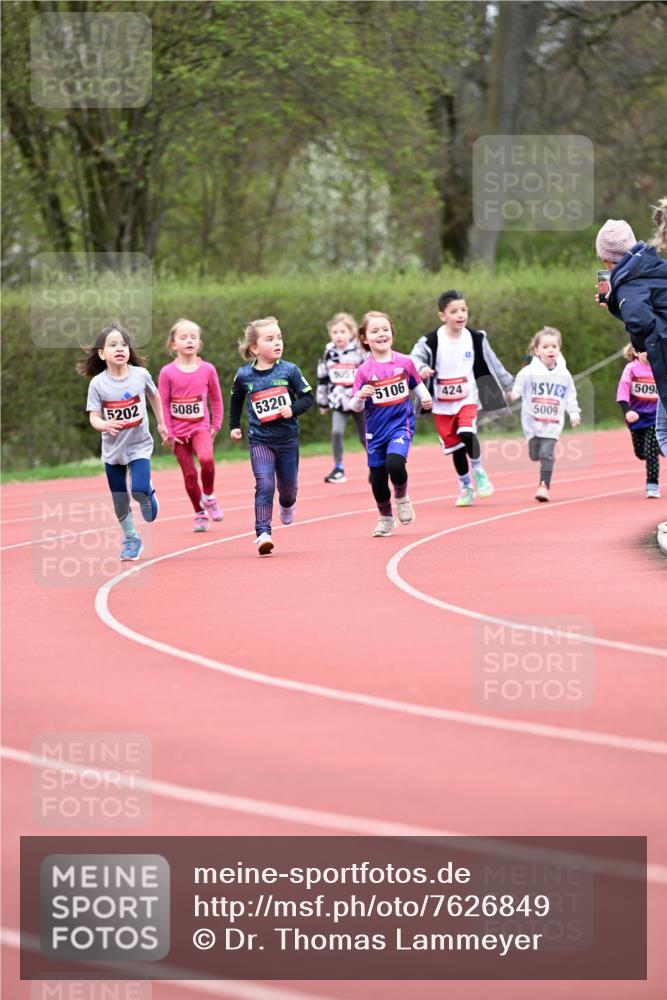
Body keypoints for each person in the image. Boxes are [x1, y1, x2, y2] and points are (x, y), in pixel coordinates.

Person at [411, 289, 513, 506]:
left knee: (467, 432)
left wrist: (509, 386)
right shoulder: (430, 341)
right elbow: (414, 359)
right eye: (454, 311)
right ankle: (465, 486)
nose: (460, 315)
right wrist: (421, 368)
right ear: (442, 316)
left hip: (468, 398)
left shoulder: (476, 338)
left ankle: (478, 470)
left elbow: (495, 364)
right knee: (455, 448)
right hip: (441, 403)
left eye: (464, 310)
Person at [78, 323, 167, 560]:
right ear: (101, 353)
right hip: (113, 449)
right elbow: (94, 417)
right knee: (119, 499)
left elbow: (154, 396)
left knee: (137, 490)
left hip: (139, 445)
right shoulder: (98, 383)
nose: (120, 348)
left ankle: (147, 493)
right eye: (113, 345)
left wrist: (161, 424)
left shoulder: (140, 375)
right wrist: (105, 425)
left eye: (124, 344)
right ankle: (131, 540)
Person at [229, 316, 314, 555]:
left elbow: (308, 397)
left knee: (288, 489)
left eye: (279, 337)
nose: (277, 342)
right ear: (254, 348)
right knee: (265, 483)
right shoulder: (244, 375)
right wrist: (234, 425)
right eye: (270, 339)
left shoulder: (290, 370)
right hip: (260, 440)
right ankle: (263, 532)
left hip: (287, 439)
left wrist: (292, 409)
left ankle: (287, 505)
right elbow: (235, 401)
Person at [349, 310, 432, 537]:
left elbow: (416, 384)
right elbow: (354, 407)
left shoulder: (405, 362)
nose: (381, 334)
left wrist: (426, 398)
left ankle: (402, 497)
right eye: (375, 331)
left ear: (392, 334)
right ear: (365, 338)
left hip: (400, 425)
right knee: (377, 478)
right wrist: (361, 397)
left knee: (395, 464)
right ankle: (385, 518)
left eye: (385, 329)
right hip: (375, 431)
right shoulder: (364, 371)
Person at [595, 203, 667, 456]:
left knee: (664, 435)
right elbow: (653, 304)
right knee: (662, 430)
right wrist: (616, 303)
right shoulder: (651, 264)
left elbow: (640, 320)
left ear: (605, 259)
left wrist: (639, 346)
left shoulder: (628, 284)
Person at [158, 318, 224, 531]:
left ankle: (210, 496)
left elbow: (216, 399)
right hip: (177, 433)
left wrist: (216, 424)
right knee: (189, 474)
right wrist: (168, 431)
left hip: (200, 427)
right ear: (173, 344)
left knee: (206, 459)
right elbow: (164, 404)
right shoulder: (167, 372)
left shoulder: (207, 370)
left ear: (199, 343)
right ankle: (199, 513)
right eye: (183, 337)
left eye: (193, 337)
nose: (189, 341)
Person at [508, 326, 581, 502]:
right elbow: (517, 389)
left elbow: (570, 395)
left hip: (553, 422)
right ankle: (545, 460)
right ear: (536, 350)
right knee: (535, 455)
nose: (550, 350)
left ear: (559, 349)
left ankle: (544, 486)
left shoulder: (564, 374)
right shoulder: (528, 372)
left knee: (546, 454)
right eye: (546, 347)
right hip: (532, 422)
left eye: (554, 346)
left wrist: (573, 414)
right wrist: (512, 395)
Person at [316, 312, 366, 483]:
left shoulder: (359, 351)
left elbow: (370, 374)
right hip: (338, 402)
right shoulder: (328, 352)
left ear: (351, 332)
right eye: (335, 332)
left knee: (365, 437)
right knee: (336, 432)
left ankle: (376, 465)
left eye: (342, 332)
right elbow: (322, 378)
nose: (338, 335)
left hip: (359, 401)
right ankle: (338, 468)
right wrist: (322, 402)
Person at [616, 343, 661, 498]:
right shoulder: (631, 369)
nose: (649, 353)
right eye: (645, 350)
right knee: (641, 453)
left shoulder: (660, 369)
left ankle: (652, 485)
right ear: (636, 352)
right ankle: (660, 446)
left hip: (655, 417)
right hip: (636, 417)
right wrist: (627, 411)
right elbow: (622, 391)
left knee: (650, 452)